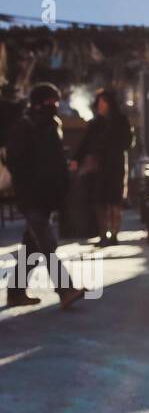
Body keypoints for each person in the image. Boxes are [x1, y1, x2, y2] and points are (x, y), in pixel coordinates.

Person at [4, 83, 85, 310]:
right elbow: (16, 161)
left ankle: (16, 293)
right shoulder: (26, 126)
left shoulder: (51, 126)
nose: (55, 106)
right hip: (32, 196)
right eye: (52, 101)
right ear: (41, 102)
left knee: (31, 246)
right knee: (47, 244)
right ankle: (65, 290)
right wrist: (30, 184)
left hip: (46, 196)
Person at [72, 87, 134, 248]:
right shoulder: (95, 123)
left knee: (115, 200)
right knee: (99, 200)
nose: (100, 105)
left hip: (115, 164)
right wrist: (77, 159)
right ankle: (103, 233)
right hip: (100, 165)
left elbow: (127, 142)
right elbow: (85, 143)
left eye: (103, 102)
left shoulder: (121, 120)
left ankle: (114, 233)